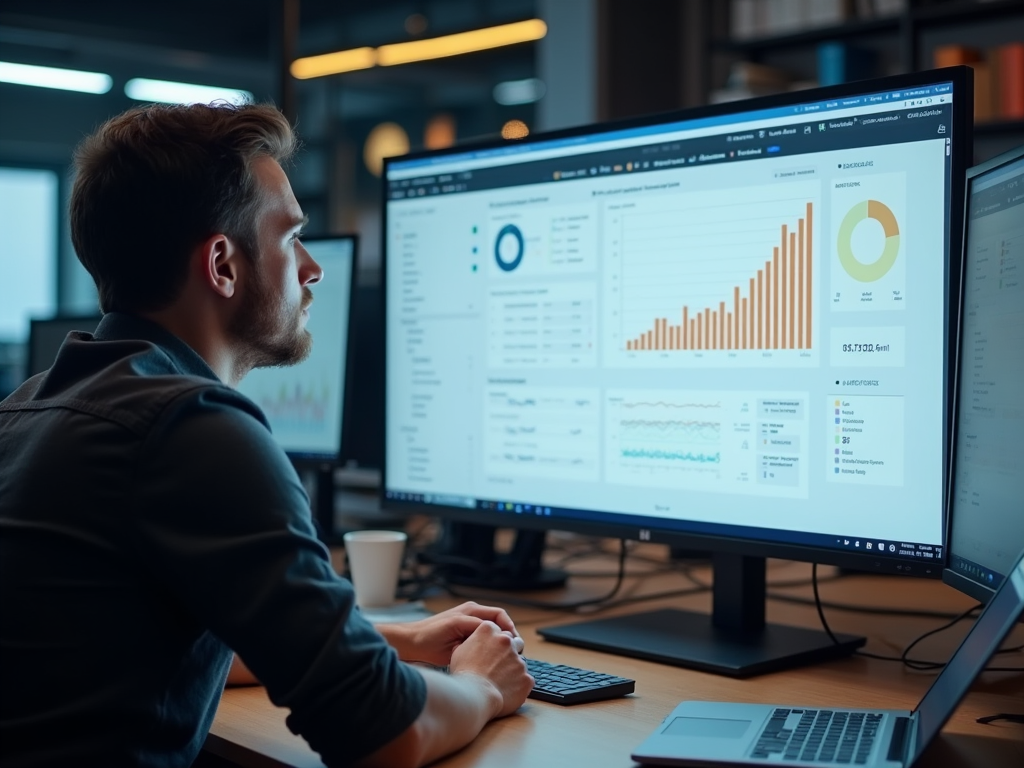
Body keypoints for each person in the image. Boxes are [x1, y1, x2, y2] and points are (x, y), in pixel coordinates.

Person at [0, 102, 534, 768]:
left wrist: (392, 637)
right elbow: (384, 736)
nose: (311, 268)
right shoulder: (191, 428)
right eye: (290, 237)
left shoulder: (25, 409)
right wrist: (481, 686)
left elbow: (181, 633)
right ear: (222, 264)